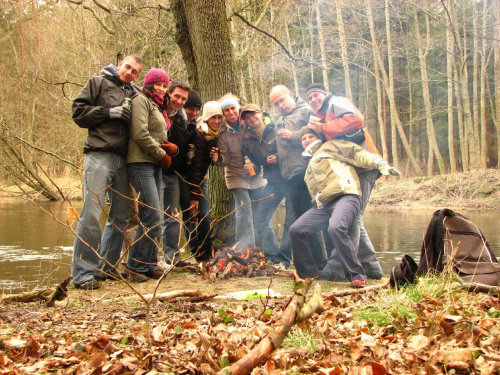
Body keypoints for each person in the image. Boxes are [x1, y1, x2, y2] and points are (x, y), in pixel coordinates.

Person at [289, 127, 400, 288]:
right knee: (296, 229)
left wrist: (382, 164)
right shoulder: (309, 163)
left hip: (346, 195)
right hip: (325, 204)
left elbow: (358, 154)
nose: (306, 140)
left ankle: (357, 274)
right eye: (303, 138)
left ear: (319, 137)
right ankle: (308, 274)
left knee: (336, 227)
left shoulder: (331, 146)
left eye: (310, 136)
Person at [71, 55, 143, 290]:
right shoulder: (97, 83)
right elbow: (78, 113)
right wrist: (107, 112)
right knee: (92, 210)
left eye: (135, 72)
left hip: (125, 159)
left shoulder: (135, 93)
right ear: (120, 64)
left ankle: (105, 268)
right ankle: (82, 273)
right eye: (128, 67)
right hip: (99, 153)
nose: (130, 73)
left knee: (122, 215)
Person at [304, 83, 383, 280]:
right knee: (356, 218)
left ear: (325, 94)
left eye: (316, 96)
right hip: (355, 167)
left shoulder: (336, 102)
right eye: (310, 98)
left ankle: (337, 268)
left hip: (365, 165)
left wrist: (322, 127)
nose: (313, 100)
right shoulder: (323, 114)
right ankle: (372, 268)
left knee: (353, 218)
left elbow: (356, 119)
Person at [126, 68, 178, 283]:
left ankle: (146, 264)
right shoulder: (141, 100)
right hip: (141, 162)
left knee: (154, 214)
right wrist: (161, 155)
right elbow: (139, 133)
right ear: (149, 83)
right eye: (158, 84)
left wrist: (170, 149)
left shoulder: (158, 106)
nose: (161, 88)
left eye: (165, 85)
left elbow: (157, 134)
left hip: (154, 163)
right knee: (152, 215)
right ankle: (135, 265)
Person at [269, 85, 326, 273]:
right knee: (298, 220)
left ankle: (311, 262)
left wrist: (293, 135)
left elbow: (317, 137)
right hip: (289, 176)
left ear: (291, 95)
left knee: (300, 220)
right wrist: (276, 157)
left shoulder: (306, 111)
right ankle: (312, 263)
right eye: (276, 104)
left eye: (282, 101)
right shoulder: (280, 119)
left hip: (305, 172)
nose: (280, 105)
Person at [240, 103, 292, 267]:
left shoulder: (276, 128)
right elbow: (255, 164)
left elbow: (292, 149)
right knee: (260, 219)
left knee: (290, 222)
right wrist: (251, 169)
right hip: (272, 182)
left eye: (253, 114)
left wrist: (278, 156)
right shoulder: (247, 141)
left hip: (290, 179)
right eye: (247, 117)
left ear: (260, 113)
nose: (251, 118)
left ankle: (285, 259)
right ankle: (274, 256)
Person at [218, 94, 266, 249]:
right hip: (236, 175)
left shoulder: (249, 122)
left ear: (238, 108)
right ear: (223, 113)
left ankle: (260, 249)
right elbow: (224, 159)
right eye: (227, 110)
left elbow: (264, 132)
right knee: (244, 210)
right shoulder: (222, 131)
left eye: (233, 108)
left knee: (259, 213)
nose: (231, 112)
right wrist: (217, 159)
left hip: (256, 173)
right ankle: (244, 248)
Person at [160, 80, 191, 265]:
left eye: (183, 98)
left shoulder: (181, 119)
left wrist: (176, 151)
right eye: (176, 96)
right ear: (169, 93)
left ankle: (172, 257)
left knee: (172, 217)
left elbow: (182, 149)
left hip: (172, 173)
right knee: (149, 215)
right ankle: (142, 259)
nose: (179, 101)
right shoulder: (155, 108)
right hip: (151, 169)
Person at [186, 101, 223, 260]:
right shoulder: (199, 134)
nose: (216, 121)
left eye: (219, 117)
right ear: (206, 118)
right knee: (191, 215)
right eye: (213, 117)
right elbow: (196, 165)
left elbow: (211, 162)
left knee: (205, 216)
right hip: (188, 179)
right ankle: (196, 254)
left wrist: (217, 156)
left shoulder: (214, 135)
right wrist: (195, 195)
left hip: (201, 178)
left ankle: (207, 252)